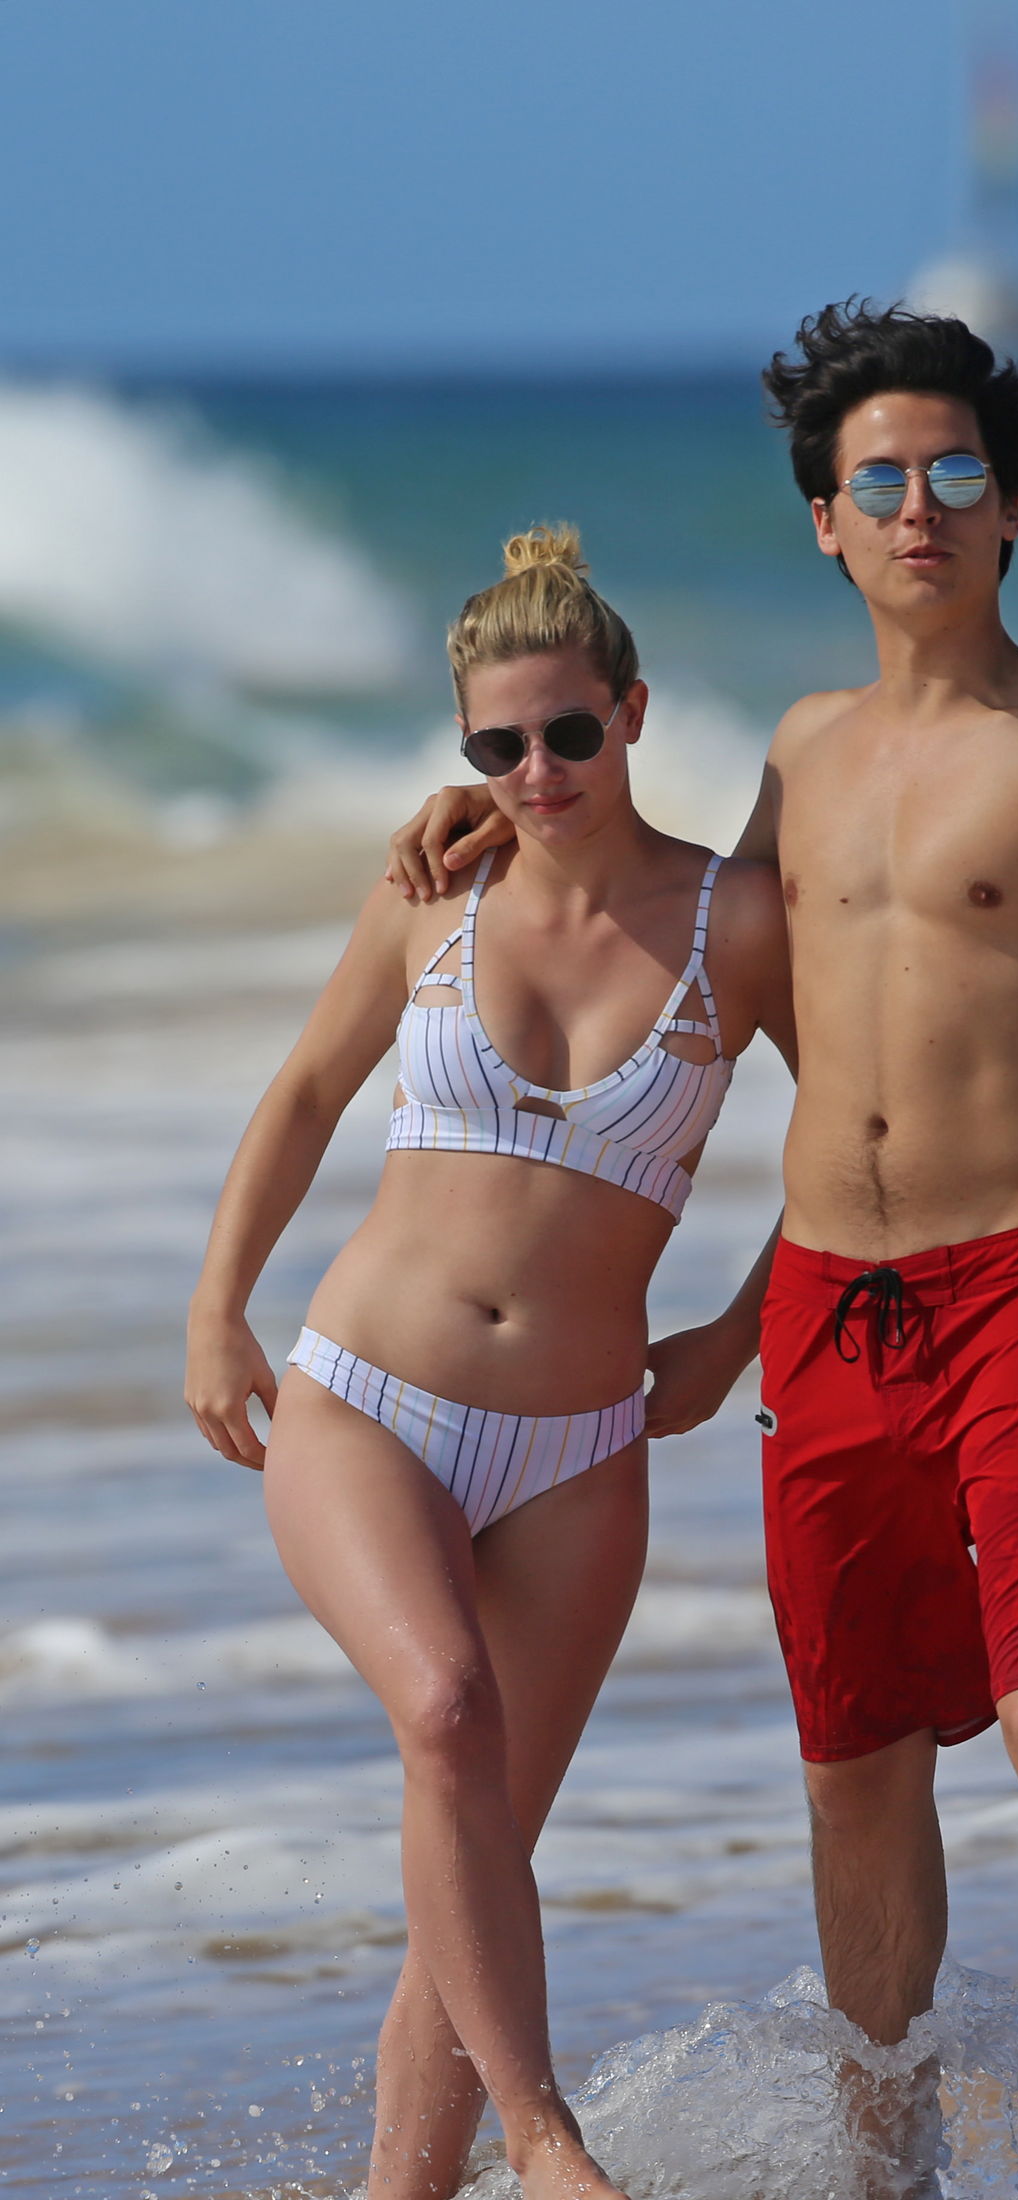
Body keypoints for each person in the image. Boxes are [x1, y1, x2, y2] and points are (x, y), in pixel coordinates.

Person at [383, 303, 1018, 2136]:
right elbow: (688, 948)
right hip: (824, 1311)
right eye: (878, 481)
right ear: (824, 519)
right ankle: (891, 2164)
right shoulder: (802, 752)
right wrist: (501, 808)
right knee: (855, 1760)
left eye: (955, 473)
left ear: (1011, 503)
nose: (918, 510)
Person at [185, 525, 794, 2200]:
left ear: (633, 712)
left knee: (481, 1846)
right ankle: (546, 2142)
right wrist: (216, 1307)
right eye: (497, 746)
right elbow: (306, 1093)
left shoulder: (735, 923)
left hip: (580, 1445)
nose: (537, 773)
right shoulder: (434, 897)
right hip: (366, 1400)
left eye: (569, 733)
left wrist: (734, 1332)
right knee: (447, 1716)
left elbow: (863, 1136)